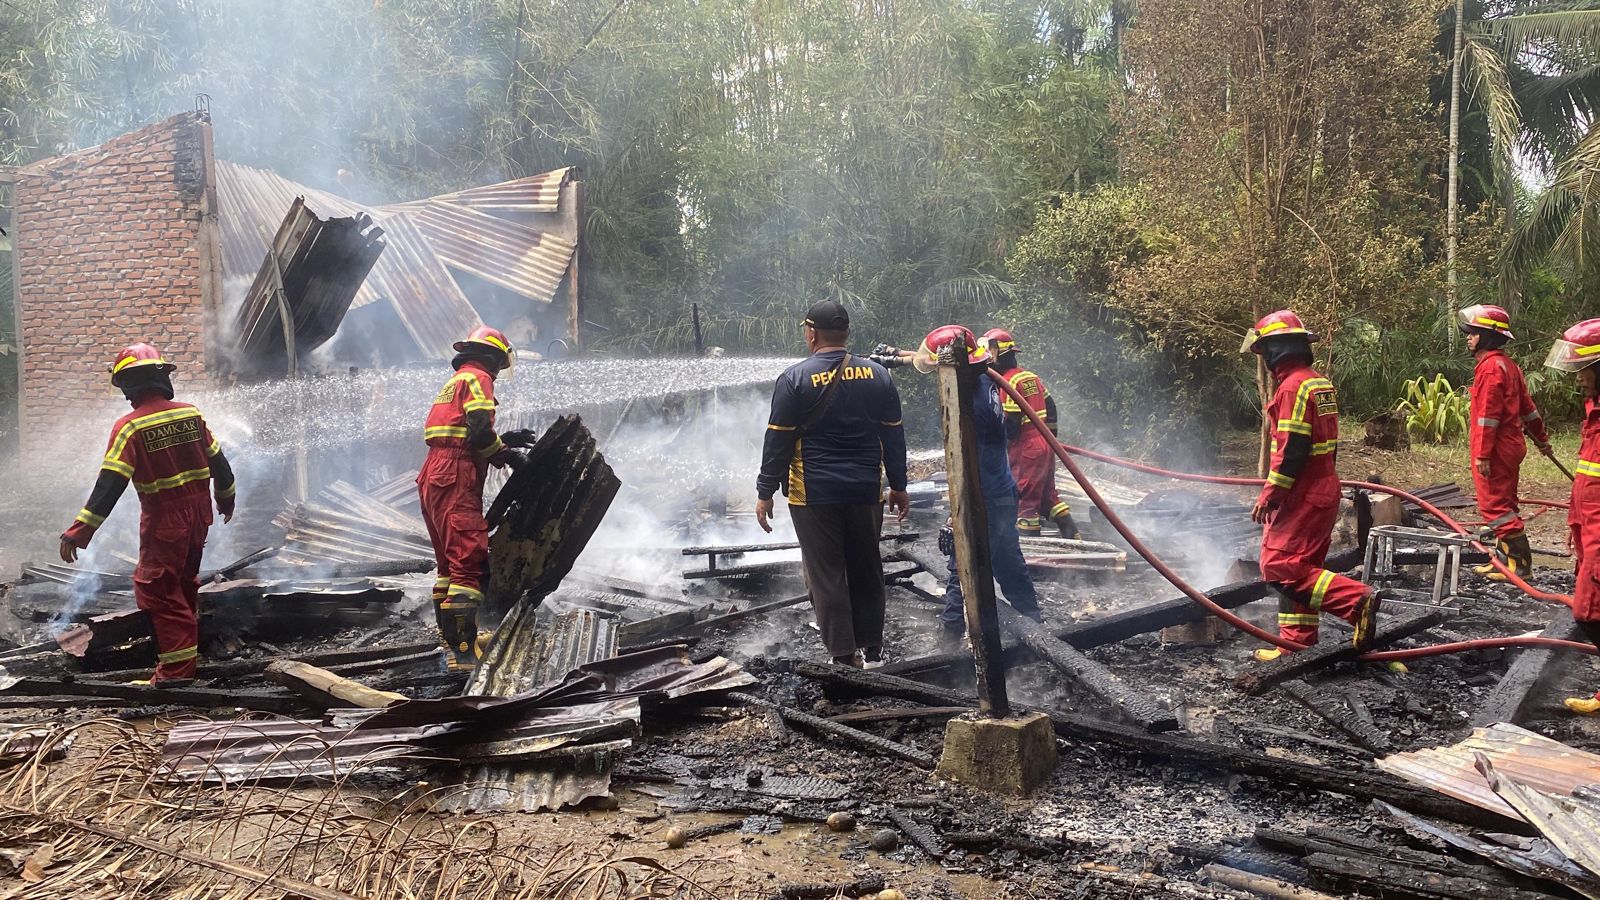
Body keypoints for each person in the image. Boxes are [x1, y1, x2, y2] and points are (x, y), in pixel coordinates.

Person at [60, 344, 237, 685]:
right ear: (161, 378)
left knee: (157, 591)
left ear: (128, 386)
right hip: (199, 516)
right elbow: (221, 465)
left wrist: (79, 530)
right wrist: (225, 499)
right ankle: (185, 658)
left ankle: (175, 675)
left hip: (164, 522)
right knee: (183, 585)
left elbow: (110, 484)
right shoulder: (190, 413)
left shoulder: (129, 427)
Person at [756, 299, 910, 667]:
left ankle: (843, 655)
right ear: (846, 334)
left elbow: (777, 441)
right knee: (867, 567)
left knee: (826, 574)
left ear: (811, 334)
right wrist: (899, 485)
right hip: (864, 491)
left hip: (813, 494)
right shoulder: (879, 375)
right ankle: (873, 649)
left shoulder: (794, 379)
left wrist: (765, 492)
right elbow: (894, 437)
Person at [1241, 311, 1381, 662]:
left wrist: (1271, 495)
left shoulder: (1291, 388)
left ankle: (1356, 600)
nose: (1264, 361)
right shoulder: (1317, 382)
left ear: (1276, 350)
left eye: (1265, 352)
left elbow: (1292, 452)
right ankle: (1297, 643)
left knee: (1280, 566)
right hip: (1322, 487)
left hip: (1300, 492)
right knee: (1301, 566)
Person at [909, 325, 1046, 637]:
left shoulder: (972, 408)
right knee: (1009, 565)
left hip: (987, 496)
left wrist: (950, 519)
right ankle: (1036, 627)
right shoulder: (981, 378)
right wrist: (900, 358)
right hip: (999, 492)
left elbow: (975, 468)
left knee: (963, 569)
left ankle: (950, 642)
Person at [419, 326, 537, 671]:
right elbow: (479, 430)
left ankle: (452, 644)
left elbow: (459, 431)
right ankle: (465, 656)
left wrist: (505, 440)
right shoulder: (480, 378)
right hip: (456, 474)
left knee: (449, 566)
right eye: (501, 361)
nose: (500, 369)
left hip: (434, 473)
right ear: (495, 357)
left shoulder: (456, 381)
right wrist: (505, 454)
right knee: (469, 562)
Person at [1459, 304, 1550, 581]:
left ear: (1487, 337)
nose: (1468, 338)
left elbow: (1488, 417)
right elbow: (1529, 409)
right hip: (1511, 447)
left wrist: (1483, 455)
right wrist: (1542, 440)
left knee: (1495, 508)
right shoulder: (1508, 366)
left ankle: (1520, 567)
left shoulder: (1490, 369)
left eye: (1474, 333)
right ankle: (1503, 561)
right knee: (1506, 503)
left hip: (1496, 450)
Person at [1542, 319, 1600, 715]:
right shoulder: (1593, 411)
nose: (1578, 379)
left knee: (1589, 611)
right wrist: (1577, 528)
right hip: (1589, 528)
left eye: (1584, 370)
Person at [982, 328, 1080, 539]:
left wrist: (992, 445)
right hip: (1044, 443)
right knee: (1047, 496)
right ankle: (1073, 537)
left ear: (995, 354)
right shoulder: (1029, 376)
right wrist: (1050, 437)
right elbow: (1051, 406)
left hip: (1026, 448)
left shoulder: (1006, 382)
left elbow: (1012, 426)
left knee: (1024, 499)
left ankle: (1032, 551)